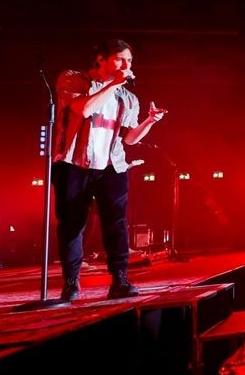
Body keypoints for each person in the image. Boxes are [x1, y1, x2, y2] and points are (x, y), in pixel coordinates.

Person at [52, 39, 167, 301]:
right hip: (74, 163)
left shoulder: (127, 97)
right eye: (119, 59)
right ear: (101, 59)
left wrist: (150, 120)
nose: (126, 66)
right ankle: (71, 283)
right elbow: (84, 109)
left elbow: (129, 139)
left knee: (116, 224)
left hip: (111, 165)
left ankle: (120, 280)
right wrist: (114, 84)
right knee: (73, 225)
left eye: (129, 61)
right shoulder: (73, 79)